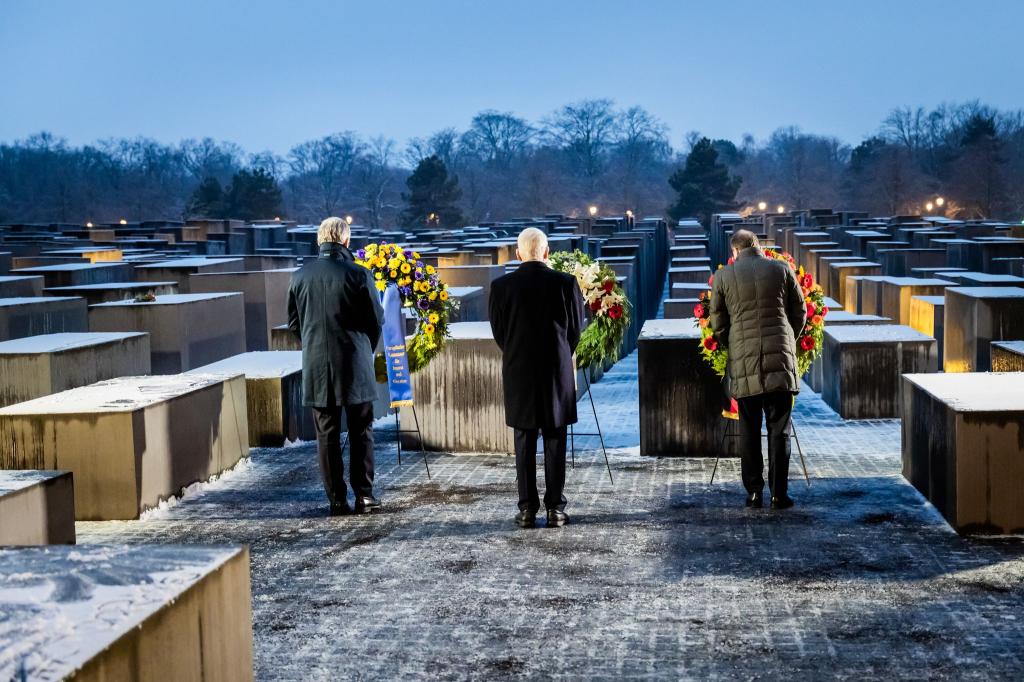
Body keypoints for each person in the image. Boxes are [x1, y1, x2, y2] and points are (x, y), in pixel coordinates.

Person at [489, 227, 585, 529]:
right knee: (556, 438)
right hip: (555, 370)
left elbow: (500, 333)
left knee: (524, 439)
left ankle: (527, 509)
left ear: (518, 254)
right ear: (547, 252)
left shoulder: (502, 287)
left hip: (519, 370)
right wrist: (558, 353)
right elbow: (575, 333)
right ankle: (556, 508)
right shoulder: (565, 283)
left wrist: (518, 352)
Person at [288, 217, 384, 516]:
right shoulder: (359, 274)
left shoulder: (299, 277)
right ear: (346, 241)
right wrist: (363, 347)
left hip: (317, 365)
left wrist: (315, 344)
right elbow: (375, 320)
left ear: (320, 241)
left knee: (326, 434)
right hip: (354, 362)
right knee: (361, 431)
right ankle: (364, 496)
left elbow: (294, 325)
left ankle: (336, 499)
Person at [709, 229, 806, 510]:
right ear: (758, 246)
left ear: (735, 251)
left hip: (744, 360)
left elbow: (718, 319)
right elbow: (799, 311)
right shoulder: (781, 268)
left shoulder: (725, 276)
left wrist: (734, 344)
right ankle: (779, 494)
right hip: (780, 361)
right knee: (780, 430)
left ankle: (754, 491)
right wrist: (788, 338)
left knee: (749, 429)